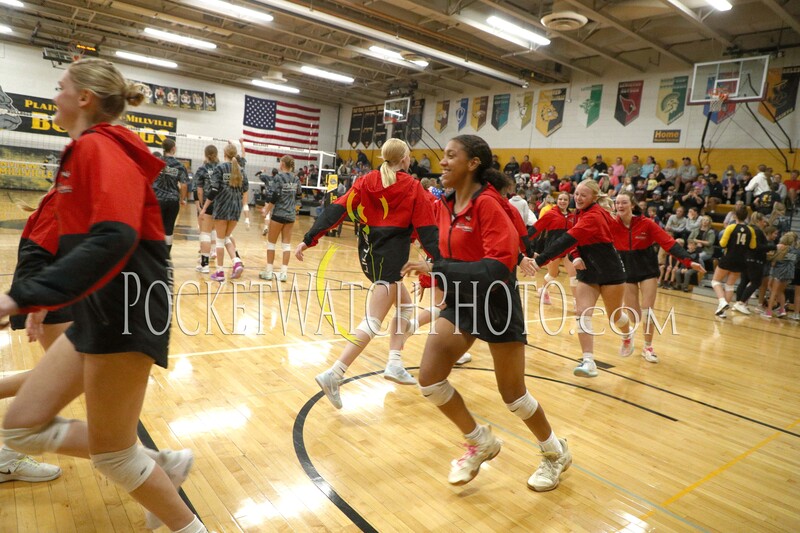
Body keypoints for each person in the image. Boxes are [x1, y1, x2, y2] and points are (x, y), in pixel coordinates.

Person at [0, 58, 205, 533]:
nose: (54, 96)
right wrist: (41, 300)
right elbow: (80, 242)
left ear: (85, 98)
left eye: (60, 87)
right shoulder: (88, 149)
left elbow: (114, 235)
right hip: (101, 304)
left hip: (128, 307)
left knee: (114, 454)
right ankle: (160, 466)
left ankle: (184, 516)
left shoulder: (99, 146)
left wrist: (21, 297)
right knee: (21, 424)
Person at [401, 134, 571, 492]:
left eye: (451, 156)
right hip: (462, 301)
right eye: (443, 156)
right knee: (430, 379)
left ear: (473, 163)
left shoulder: (488, 204)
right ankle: (480, 441)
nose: (442, 162)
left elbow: (496, 267)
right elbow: (448, 254)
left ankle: (555, 453)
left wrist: (437, 271)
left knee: (514, 395)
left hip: (496, 301)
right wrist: (437, 278)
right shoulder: (445, 204)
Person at [296, 138, 440, 406]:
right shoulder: (411, 186)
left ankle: (394, 362)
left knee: (406, 306)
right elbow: (428, 230)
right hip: (393, 259)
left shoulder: (365, 181)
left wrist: (309, 238)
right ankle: (334, 372)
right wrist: (442, 261)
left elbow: (337, 209)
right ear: (406, 159)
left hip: (370, 257)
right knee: (373, 321)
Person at [523, 180, 632, 378]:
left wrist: (538, 262)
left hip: (610, 272)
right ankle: (588, 361)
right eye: (576, 194)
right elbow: (571, 243)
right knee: (582, 313)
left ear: (593, 197)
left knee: (615, 316)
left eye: (583, 195)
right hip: (587, 271)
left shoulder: (595, 216)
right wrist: (577, 256)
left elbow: (567, 239)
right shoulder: (577, 215)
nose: (578, 198)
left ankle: (627, 333)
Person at [0, 189, 66, 483]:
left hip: (65, 297)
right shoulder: (67, 193)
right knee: (67, 376)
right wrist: (34, 304)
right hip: (53, 298)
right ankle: (7, 456)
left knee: (68, 375)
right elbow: (35, 252)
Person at [611, 192, 705, 362]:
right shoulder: (611, 224)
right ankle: (628, 336)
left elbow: (668, 243)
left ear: (632, 205)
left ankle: (648, 347)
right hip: (625, 272)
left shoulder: (646, 223)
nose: (620, 206)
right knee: (634, 316)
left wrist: (689, 261)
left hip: (647, 270)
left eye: (624, 202)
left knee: (648, 311)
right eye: (617, 203)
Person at [201, 141, 249, 282]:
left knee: (220, 241)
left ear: (224, 154)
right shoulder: (241, 171)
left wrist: (204, 208)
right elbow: (245, 190)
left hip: (222, 207)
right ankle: (236, 261)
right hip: (235, 209)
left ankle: (220, 272)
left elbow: (214, 190)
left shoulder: (220, 168)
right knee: (226, 237)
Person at [529, 192, 577, 307]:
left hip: (568, 250)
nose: (563, 201)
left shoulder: (573, 217)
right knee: (552, 274)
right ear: (557, 200)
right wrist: (524, 240)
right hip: (553, 250)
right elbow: (537, 227)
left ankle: (577, 302)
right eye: (560, 199)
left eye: (565, 199)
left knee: (574, 276)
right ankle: (543, 290)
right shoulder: (551, 214)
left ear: (568, 201)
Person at [260, 155, 300, 282]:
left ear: (282, 164)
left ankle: (269, 271)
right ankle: (283, 273)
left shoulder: (278, 177)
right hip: (290, 216)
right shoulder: (296, 178)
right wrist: (294, 209)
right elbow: (299, 196)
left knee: (271, 243)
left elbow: (275, 196)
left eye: (280, 162)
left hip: (279, 215)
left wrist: (266, 210)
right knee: (286, 245)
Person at [712, 205, 756, 318]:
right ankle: (722, 311)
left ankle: (722, 302)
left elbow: (722, 244)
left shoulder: (731, 227)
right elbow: (753, 246)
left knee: (715, 281)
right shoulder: (750, 229)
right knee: (730, 286)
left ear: (734, 215)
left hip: (729, 257)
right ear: (746, 216)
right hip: (741, 260)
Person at [732, 214, 778, 315]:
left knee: (744, 281)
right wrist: (774, 247)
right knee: (756, 282)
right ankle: (741, 303)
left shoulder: (747, 229)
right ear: (758, 221)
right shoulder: (757, 231)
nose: (765, 223)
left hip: (744, 258)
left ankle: (737, 303)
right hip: (754, 260)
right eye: (763, 221)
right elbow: (757, 247)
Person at [152, 137, 188, 254]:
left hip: (158, 199)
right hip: (173, 200)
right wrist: (182, 199)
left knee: (156, 228)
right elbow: (184, 185)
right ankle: (166, 256)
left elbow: (149, 179)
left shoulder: (157, 162)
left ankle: (155, 254)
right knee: (169, 228)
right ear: (173, 148)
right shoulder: (180, 166)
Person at [194, 145, 219, 273]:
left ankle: (205, 265)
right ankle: (220, 259)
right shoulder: (222, 167)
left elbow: (199, 191)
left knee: (205, 234)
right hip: (221, 205)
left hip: (208, 205)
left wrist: (201, 207)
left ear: (205, 154)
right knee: (220, 234)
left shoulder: (202, 169)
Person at [764, 232, 799, 318]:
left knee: (773, 292)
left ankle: (768, 312)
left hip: (779, 272)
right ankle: (782, 310)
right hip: (789, 273)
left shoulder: (780, 248)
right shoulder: (796, 251)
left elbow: (773, 261)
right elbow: (796, 261)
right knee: (781, 291)